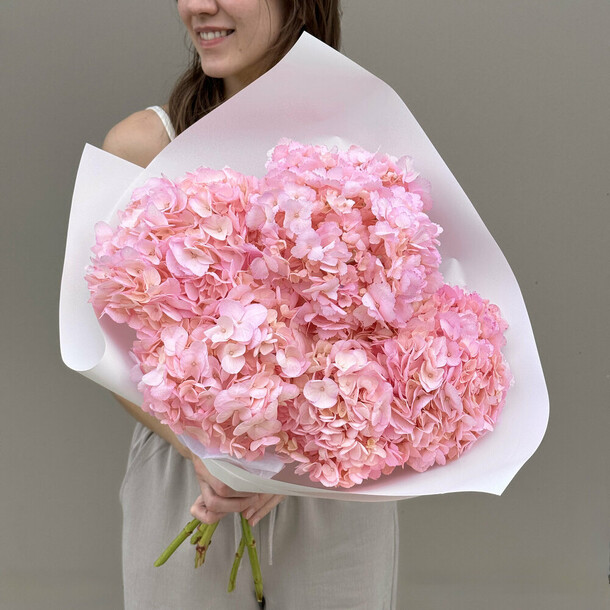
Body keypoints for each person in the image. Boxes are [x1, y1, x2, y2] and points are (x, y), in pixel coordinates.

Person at [102, 2, 398, 608]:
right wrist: (212, 457)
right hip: (188, 474)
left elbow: (403, 333)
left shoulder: (368, 143)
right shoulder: (141, 146)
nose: (197, 6)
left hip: (331, 479)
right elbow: (101, 340)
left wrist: (300, 456)